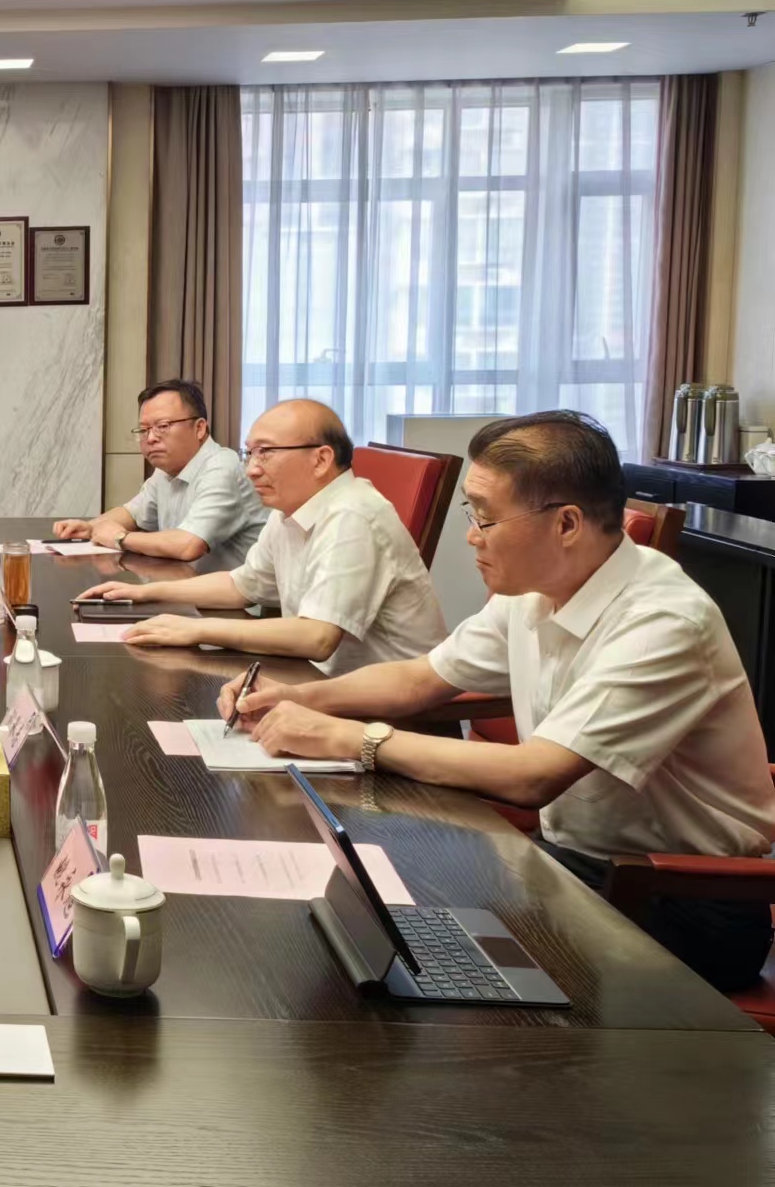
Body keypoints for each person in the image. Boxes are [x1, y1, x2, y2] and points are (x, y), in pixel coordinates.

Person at [218, 410, 775, 991]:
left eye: (485, 516)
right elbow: (422, 679)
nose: (472, 535)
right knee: (365, 910)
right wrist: (298, 696)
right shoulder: (535, 590)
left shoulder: (663, 622)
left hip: (678, 897)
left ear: (566, 524)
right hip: (571, 860)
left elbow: (534, 776)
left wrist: (354, 739)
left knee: (412, 944)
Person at [78, 398, 446, 674]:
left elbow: (316, 637)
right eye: (249, 453)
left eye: (265, 453)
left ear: (321, 459)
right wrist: (142, 593)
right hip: (319, 682)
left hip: (388, 712)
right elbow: (241, 585)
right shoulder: (290, 509)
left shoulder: (353, 514)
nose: (252, 469)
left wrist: (195, 629)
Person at [53, 379, 266, 563]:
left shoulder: (222, 467)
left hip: (238, 597)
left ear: (199, 428)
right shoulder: (166, 470)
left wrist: (120, 538)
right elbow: (133, 514)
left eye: (163, 426)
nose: (151, 438)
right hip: (187, 587)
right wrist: (90, 528)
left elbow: (189, 545)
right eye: (144, 430)